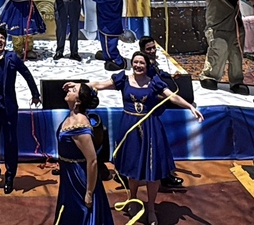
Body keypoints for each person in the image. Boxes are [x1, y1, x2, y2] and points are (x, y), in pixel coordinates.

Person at [91, 51, 201, 224]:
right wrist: (78, 86)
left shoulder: (154, 83)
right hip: (130, 129)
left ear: (147, 65)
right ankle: (133, 199)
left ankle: (151, 208)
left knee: (152, 172)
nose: (138, 66)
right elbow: (99, 84)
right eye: (135, 62)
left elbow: (173, 96)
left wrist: (190, 107)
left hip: (151, 129)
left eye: (141, 63)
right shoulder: (124, 80)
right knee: (133, 168)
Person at [0, 25, 41, 194]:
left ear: (5, 42)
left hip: (9, 109)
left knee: (11, 143)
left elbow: (27, 74)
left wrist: (35, 94)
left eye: (2, 38)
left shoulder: (12, 57)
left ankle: (10, 176)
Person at [54, 82, 114, 225]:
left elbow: (92, 160)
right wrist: (77, 86)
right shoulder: (72, 117)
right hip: (68, 176)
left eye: (73, 90)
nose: (68, 90)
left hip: (79, 179)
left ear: (78, 100)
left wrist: (88, 192)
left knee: (81, 214)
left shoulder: (80, 124)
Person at [136, 37, 184, 189]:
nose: (152, 51)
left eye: (153, 48)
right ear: (142, 51)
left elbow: (160, 74)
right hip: (148, 111)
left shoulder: (152, 64)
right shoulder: (145, 66)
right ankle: (162, 176)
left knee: (155, 146)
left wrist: (170, 77)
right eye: (148, 49)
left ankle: (162, 175)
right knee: (156, 145)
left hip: (154, 111)